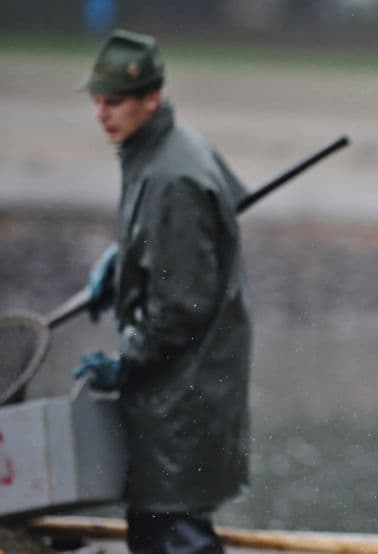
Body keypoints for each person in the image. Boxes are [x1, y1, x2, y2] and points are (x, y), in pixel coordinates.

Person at [73, 28, 252, 554]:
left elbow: (182, 308)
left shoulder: (172, 174)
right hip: (181, 391)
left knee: (174, 533)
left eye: (117, 102)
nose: (103, 113)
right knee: (159, 527)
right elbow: (219, 213)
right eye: (97, 101)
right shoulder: (161, 149)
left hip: (183, 397)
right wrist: (125, 257)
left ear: (153, 97)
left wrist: (125, 363)